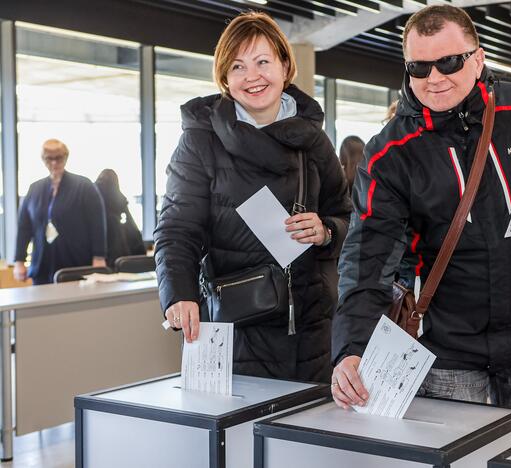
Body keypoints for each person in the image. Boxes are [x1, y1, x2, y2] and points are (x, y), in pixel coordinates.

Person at [331, 5, 511, 433]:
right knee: (458, 458)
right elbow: (367, 257)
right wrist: (350, 345)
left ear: (478, 59)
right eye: (418, 68)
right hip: (447, 349)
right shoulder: (390, 151)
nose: (434, 78)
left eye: (449, 62)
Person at [154, 12, 351, 383]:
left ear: (284, 65)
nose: (253, 76)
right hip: (230, 327)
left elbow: (347, 215)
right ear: (225, 78)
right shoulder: (201, 140)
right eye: (238, 66)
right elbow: (177, 228)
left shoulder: (314, 140)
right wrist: (178, 294)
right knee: (234, 438)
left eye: (263, 61)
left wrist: (325, 230)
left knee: (305, 435)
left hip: (309, 328)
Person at [14, 139, 107, 285]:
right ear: (43, 159)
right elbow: (24, 227)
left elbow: (97, 224)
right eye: (49, 159)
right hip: (42, 265)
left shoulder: (84, 186)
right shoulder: (34, 189)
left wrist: (99, 257)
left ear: (66, 157)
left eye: (58, 158)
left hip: (76, 263)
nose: (54, 163)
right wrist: (19, 260)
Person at [94, 169, 146, 267]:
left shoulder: (94, 198)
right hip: (121, 258)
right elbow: (133, 229)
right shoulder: (119, 199)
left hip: (103, 258)